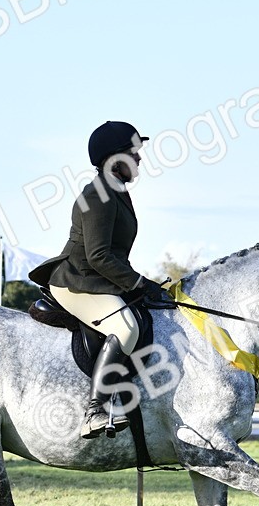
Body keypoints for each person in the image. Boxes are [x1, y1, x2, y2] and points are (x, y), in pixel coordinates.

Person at [29, 121, 173, 439]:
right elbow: (98, 256)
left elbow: (114, 256)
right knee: (126, 327)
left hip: (99, 280)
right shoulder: (98, 195)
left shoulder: (116, 191)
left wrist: (143, 284)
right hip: (78, 280)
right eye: (133, 151)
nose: (139, 158)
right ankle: (94, 411)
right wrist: (138, 284)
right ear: (113, 159)